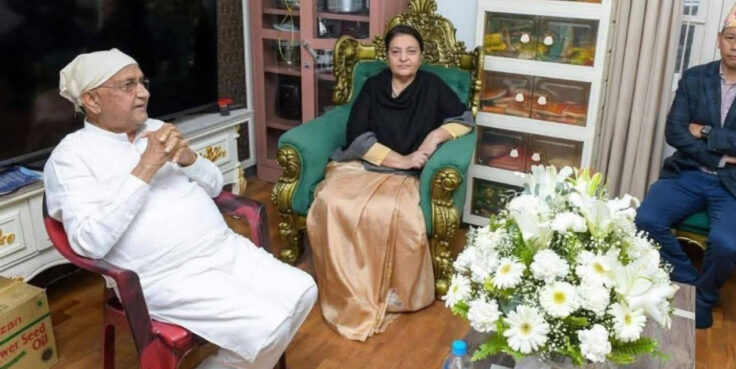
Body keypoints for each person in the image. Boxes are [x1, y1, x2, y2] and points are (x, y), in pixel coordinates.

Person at [43, 49, 317, 368]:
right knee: (268, 326)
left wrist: (191, 160)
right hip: (166, 277)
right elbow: (88, 243)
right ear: (92, 100)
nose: (143, 93)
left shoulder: (156, 128)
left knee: (305, 291)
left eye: (142, 82)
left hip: (224, 250)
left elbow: (215, 185)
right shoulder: (71, 158)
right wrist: (146, 167)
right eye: (128, 85)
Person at [306, 24, 474, 341]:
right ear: (387, 56)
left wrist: (432, 139)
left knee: (393, 212)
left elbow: (464, 120)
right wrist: (400, 160)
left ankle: (392, 291)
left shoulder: (433, 86)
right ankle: (346, 286)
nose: (403, 58)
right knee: (331, 200)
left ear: (421, 56)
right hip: (369, 166)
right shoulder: (374, 86)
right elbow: (357, 134)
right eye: (396, 52)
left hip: (408, 177)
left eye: (411, 52)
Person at [635, 1, 736, 329]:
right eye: (730, 37)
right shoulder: (695, 77)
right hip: (690, 172)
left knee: (726, 244)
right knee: (645, 220)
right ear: (719, 39)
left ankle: (704, 298)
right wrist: (722, 153)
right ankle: (689, 282)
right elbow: (675, 131)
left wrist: (706, 131)